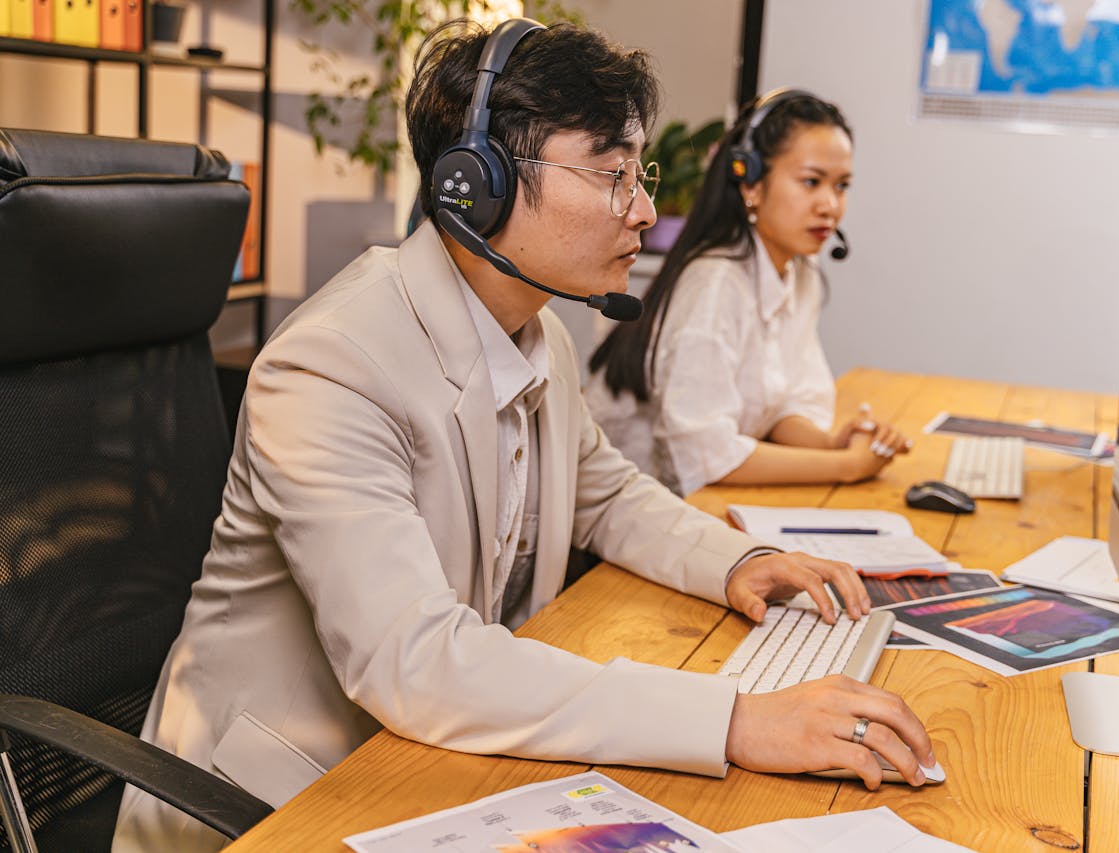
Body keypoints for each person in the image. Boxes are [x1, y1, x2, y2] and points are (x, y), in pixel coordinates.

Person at [112, 22, 935, 852]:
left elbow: (606, 493)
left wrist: (739, 561)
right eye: (614, 176)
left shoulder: (540, 337)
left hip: (441, 766)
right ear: (479, 184)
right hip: (280, 802)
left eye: (637, 176)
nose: (645, 212)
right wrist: (736, 721)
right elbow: (416, 661)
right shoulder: (333, 365)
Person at [585, 89, 911, 497]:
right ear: (751, 183)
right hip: (625, 515)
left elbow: (783, 407)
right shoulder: (715, 282)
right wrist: (844, 465)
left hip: (700, 504)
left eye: (841, 185)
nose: (830, 205)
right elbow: (703, 454)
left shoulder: (800, 270)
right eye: (811, 182)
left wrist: (834, 444)